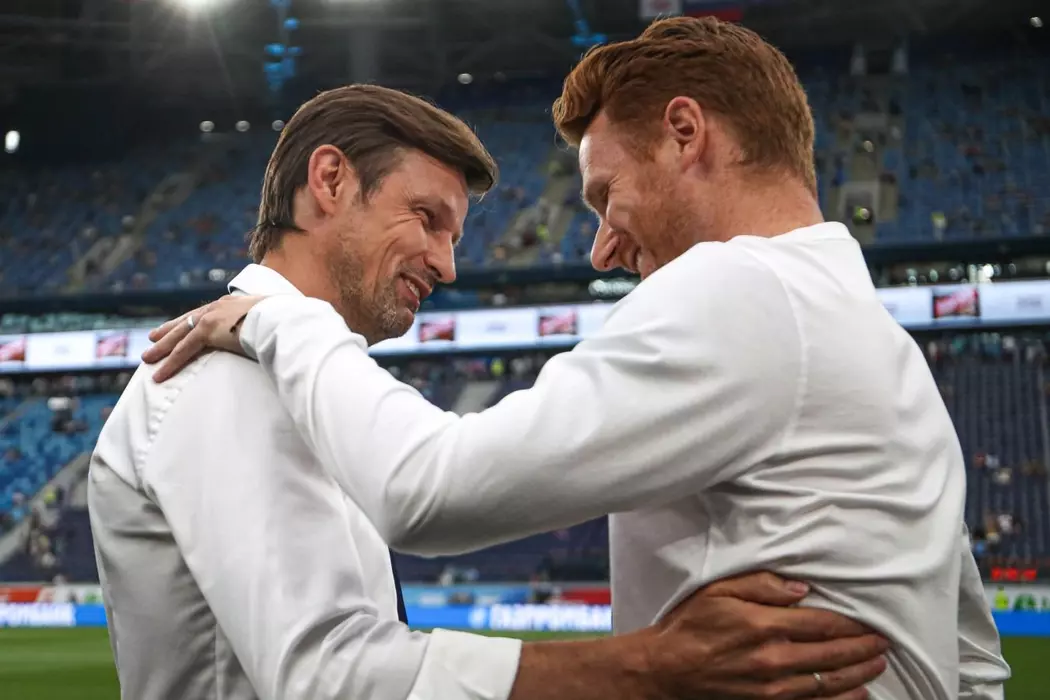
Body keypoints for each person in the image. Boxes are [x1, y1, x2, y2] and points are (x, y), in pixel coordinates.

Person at [146, 17, 1012, 700]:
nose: (600, 248)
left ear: (686, 134)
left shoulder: (740, 289)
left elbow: (426, 493)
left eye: (604, 195)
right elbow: (974, 664)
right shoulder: (887, 351)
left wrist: (280, 322)